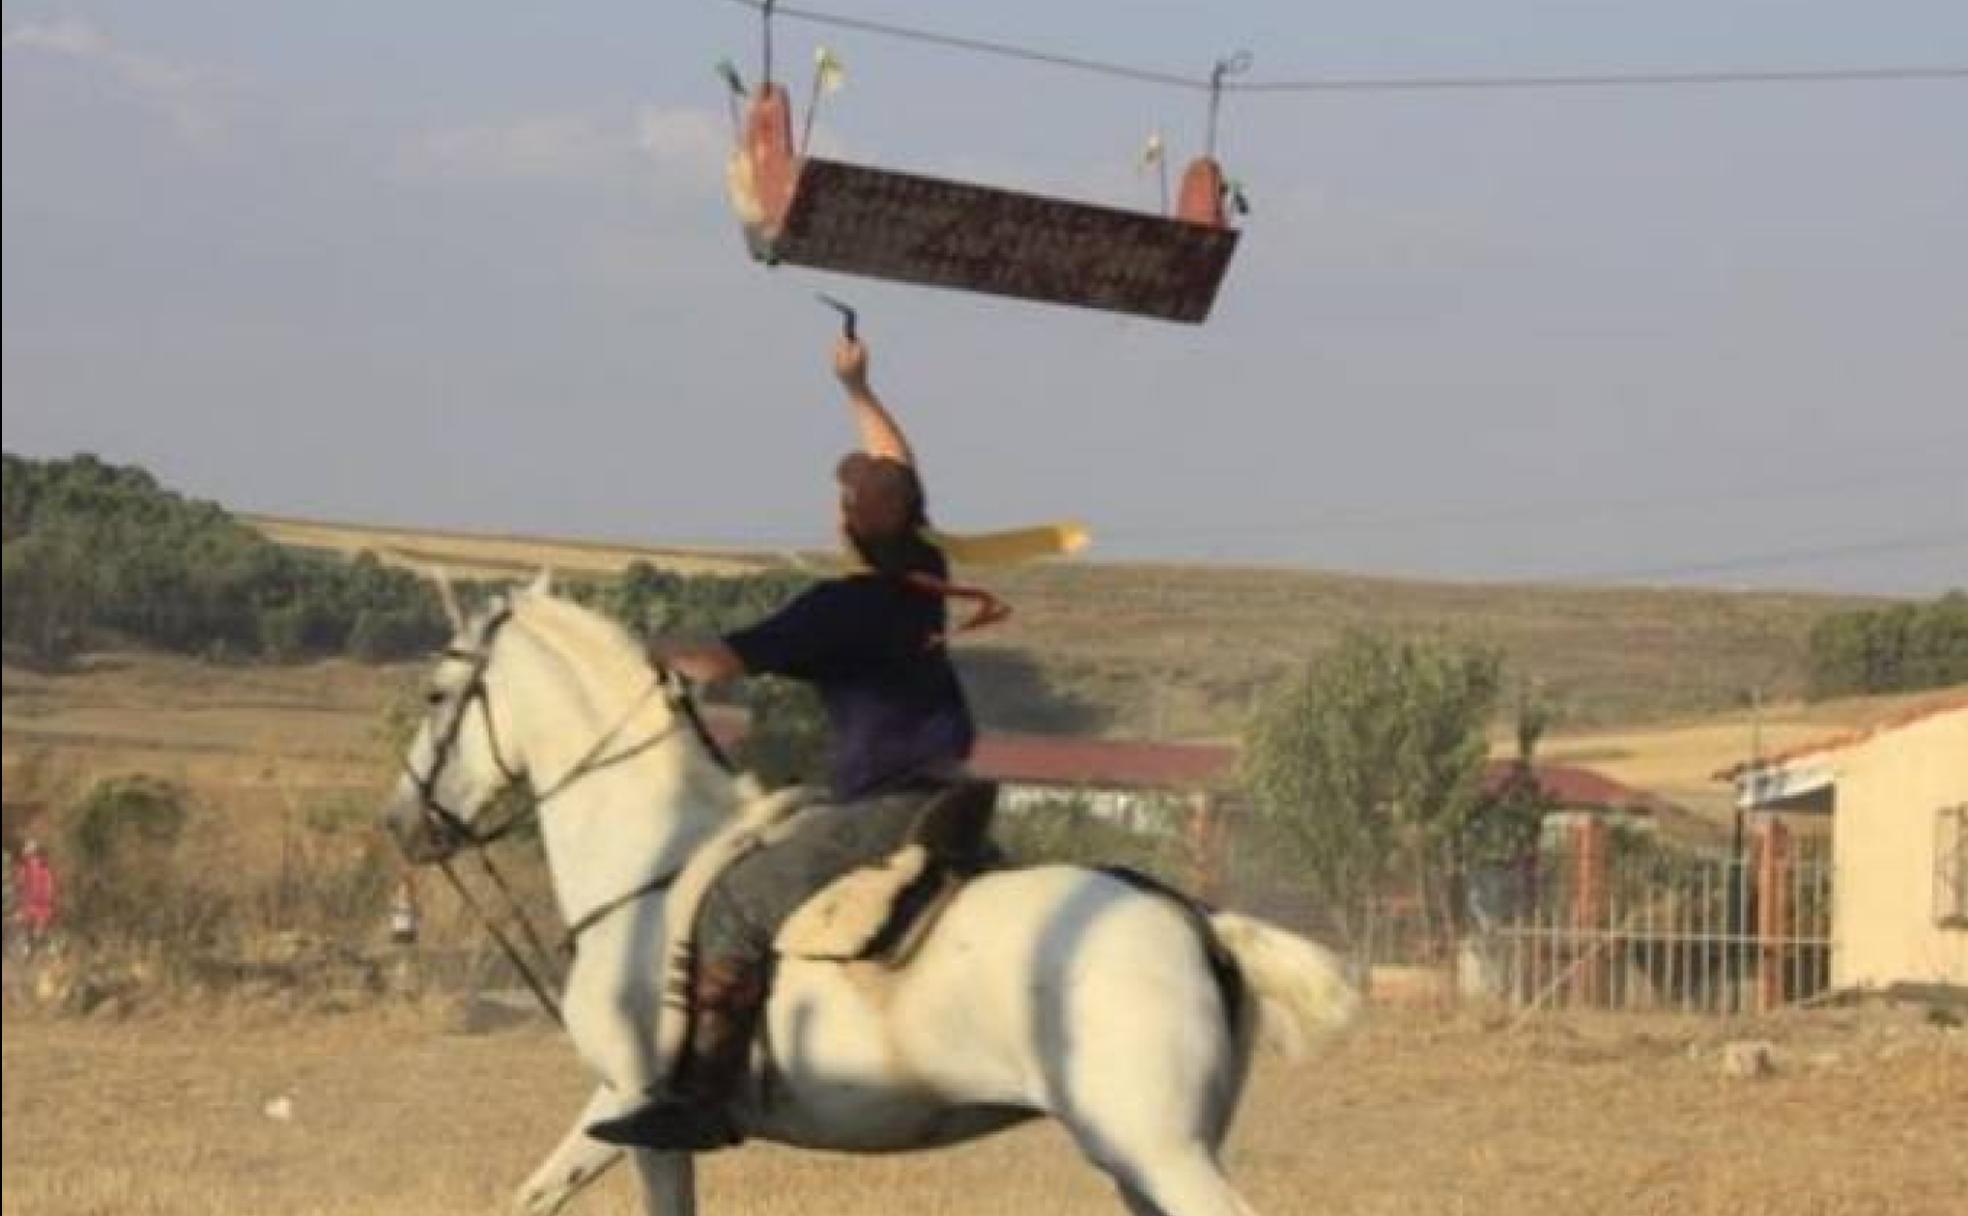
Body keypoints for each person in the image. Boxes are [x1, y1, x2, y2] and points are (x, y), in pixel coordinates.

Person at [586, 335, 993, 1152]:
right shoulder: (922, 569)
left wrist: (627, 649)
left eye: (842, 498)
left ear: (849, 522)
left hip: (887, 806)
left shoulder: (836, 609)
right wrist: (859, 387)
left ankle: (703, 1100)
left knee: (735, 902)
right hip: (952, 789)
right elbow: (896, 467)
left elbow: (715, 662)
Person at [15, 839, 57, 951]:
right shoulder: (25, 868)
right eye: (28, 853)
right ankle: (28, 946)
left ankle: (48, 946)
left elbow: (49, 882)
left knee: (41, 926)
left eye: (31, 852)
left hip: (41, 902)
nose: (30, 856)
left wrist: (49, 896)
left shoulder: (43, 866)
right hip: (30, 902)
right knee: (27, 925)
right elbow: (20, 883)